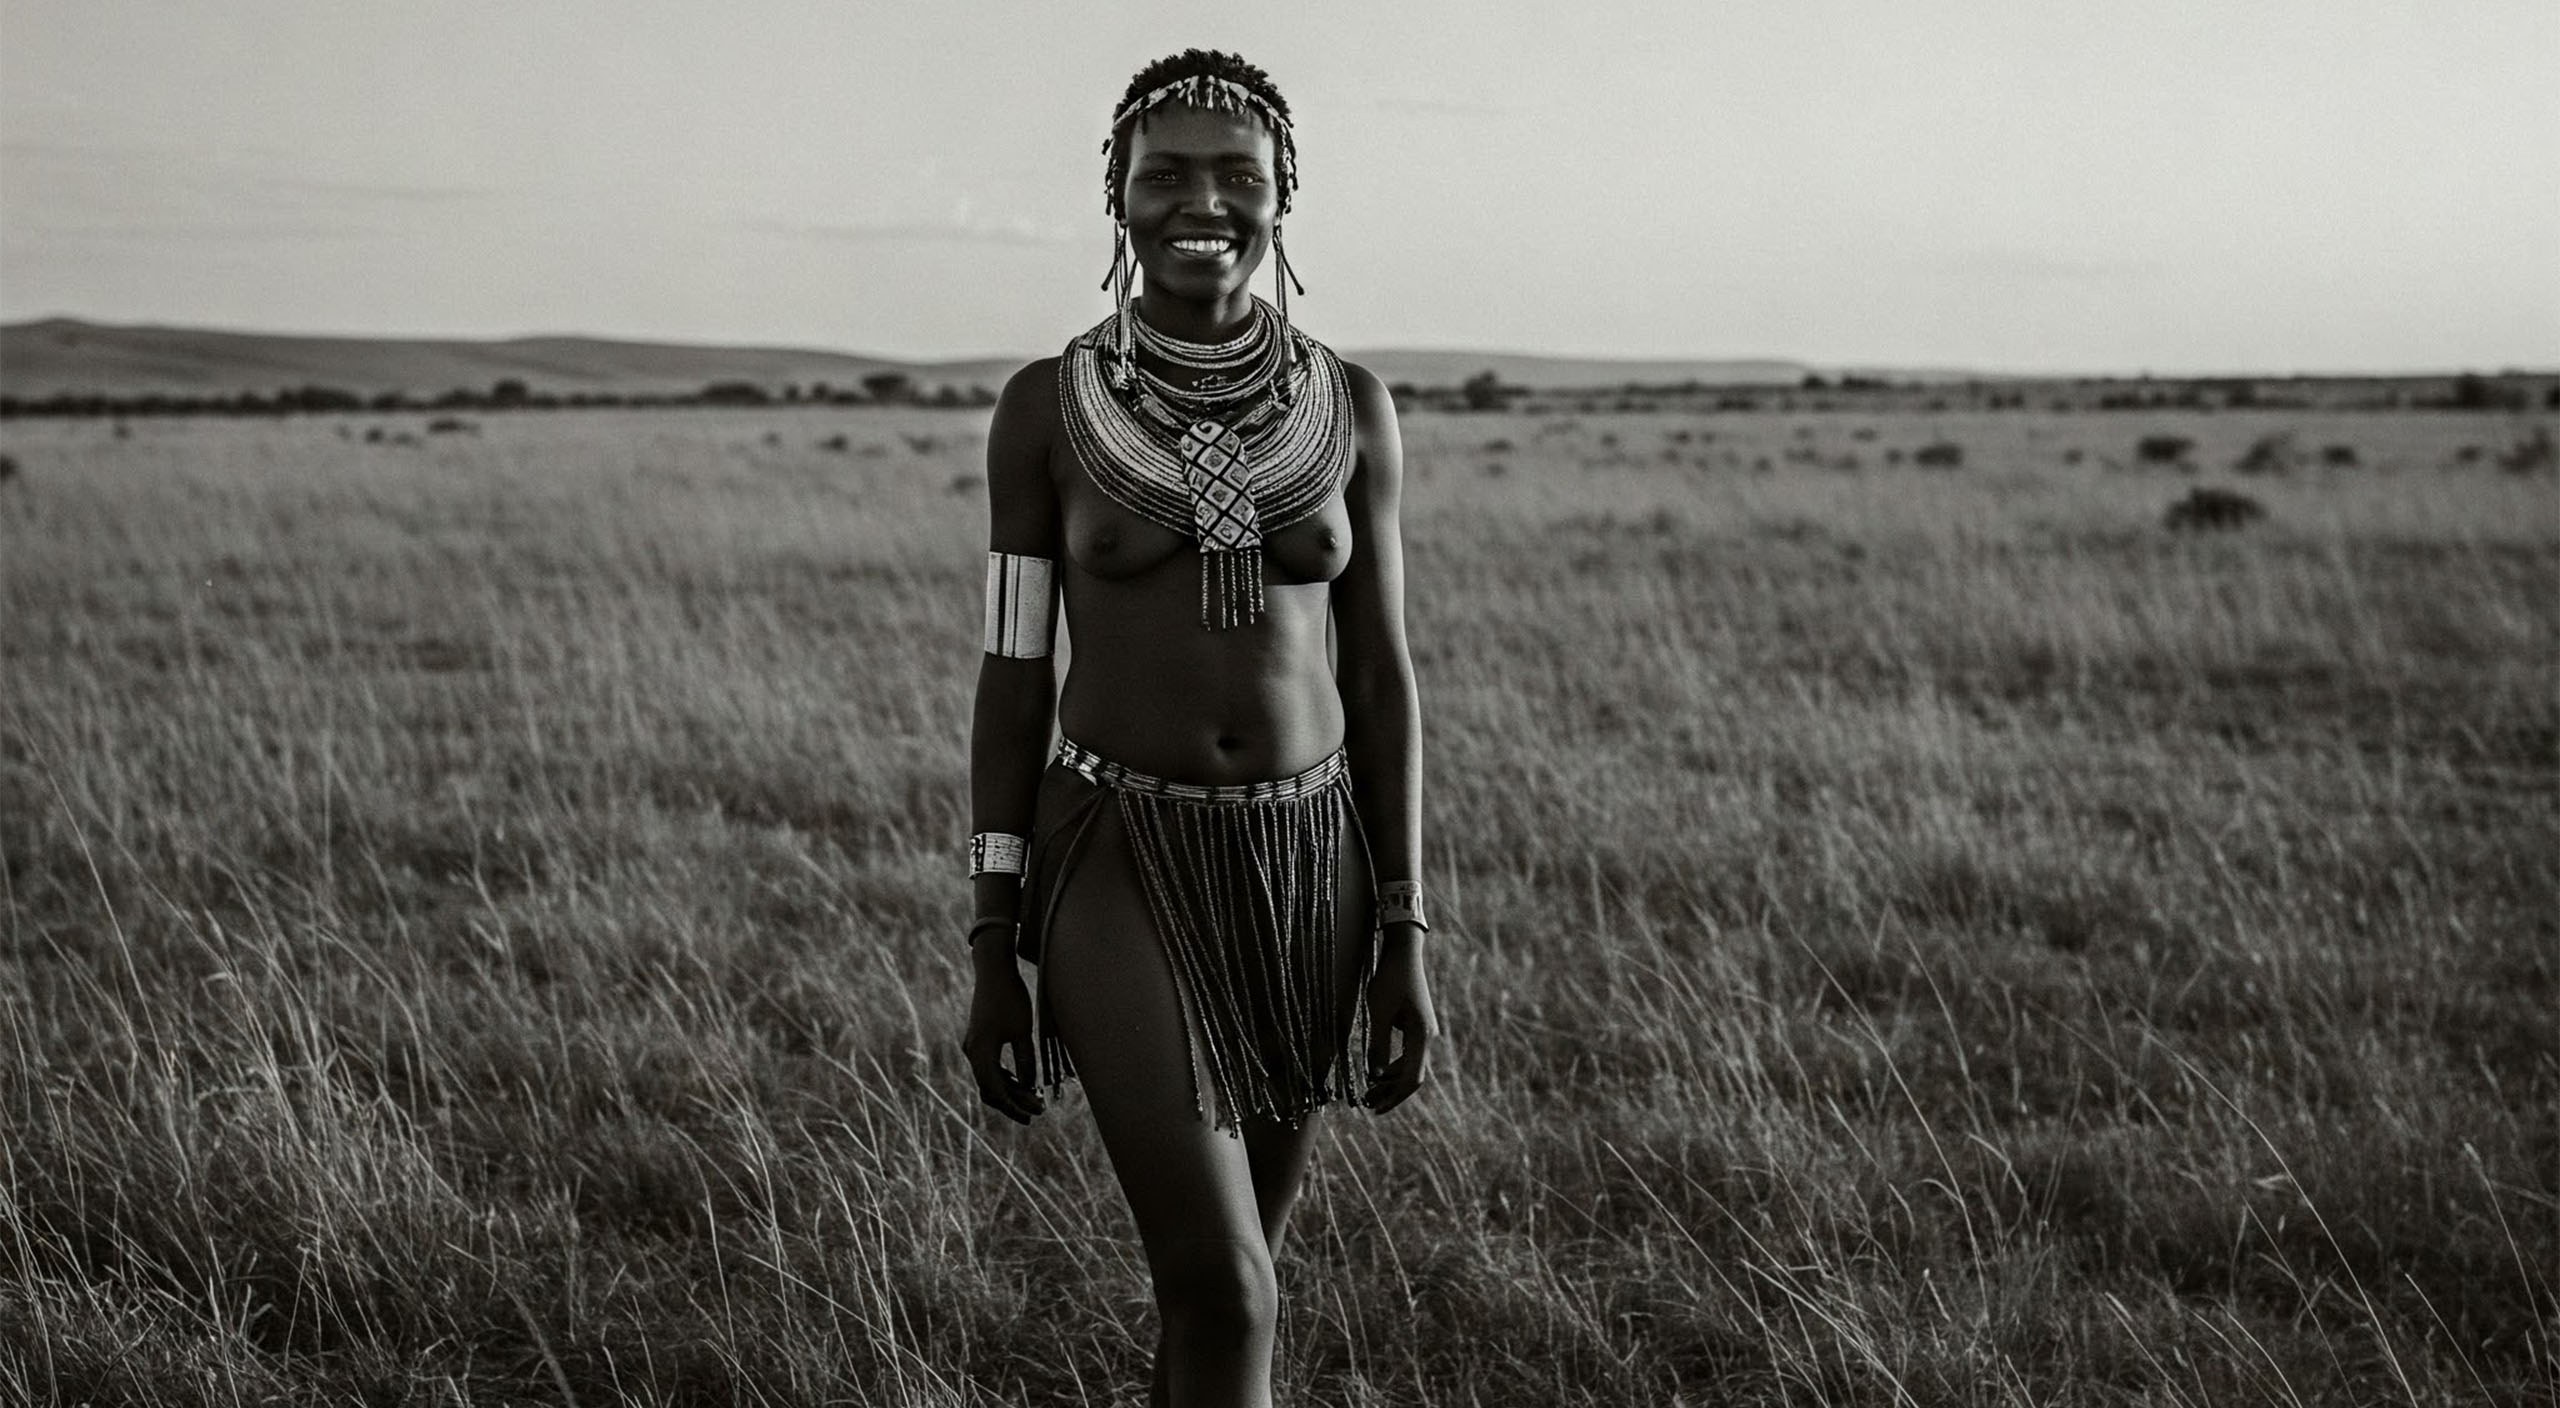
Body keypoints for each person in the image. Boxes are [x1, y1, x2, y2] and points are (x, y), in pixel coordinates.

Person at [962, 48, 1438, 1408]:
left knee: (1227, 1294)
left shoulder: (1350, 407)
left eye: (1239, 175)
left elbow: (1380, 676)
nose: (1203, 203)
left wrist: (1404, 927)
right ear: (1117, 194)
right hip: (1117, 854)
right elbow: (1012, 673)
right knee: (1229, 1288)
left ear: (1286, 194)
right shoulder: (1046, 410)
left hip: (1308, 867)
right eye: (1164, 174)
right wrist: (993, 937)